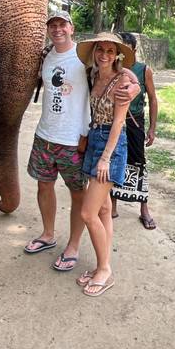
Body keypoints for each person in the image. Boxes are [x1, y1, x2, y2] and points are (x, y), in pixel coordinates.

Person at [24, 10, 90, 271]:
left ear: (71, 28)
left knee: (78, 194)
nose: (57, 29)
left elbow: (113, 73)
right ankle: (48, 235)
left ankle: (73, 245)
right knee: (44, 186)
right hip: (45, 136)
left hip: (73, 140)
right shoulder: (46, 56)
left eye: (62, 24)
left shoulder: (85, 57)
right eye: (52, 25)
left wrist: (86, 133)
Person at [75, 33, 140, 297]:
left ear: (118, 55)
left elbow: (118, 123)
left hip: (110, 145)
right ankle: (103, 264)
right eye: (100, 50)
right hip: (93, 138)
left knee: (87, 213)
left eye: (110, 51)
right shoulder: (93, 74)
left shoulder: (123, 81)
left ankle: (104, 270)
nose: (104, 55)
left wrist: (105, 158)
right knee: (102, 209)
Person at [111, 32, 158, 229]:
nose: (123, 53)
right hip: (114, 123)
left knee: (138, 162)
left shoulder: (143, 70)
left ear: (134, 50)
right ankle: (112, 206)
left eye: (127, 49)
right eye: (120, 49)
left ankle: (143, 209)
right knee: (114, 161)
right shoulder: (113, 70)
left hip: (135, 123)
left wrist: (152, 128)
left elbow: (153, 99)